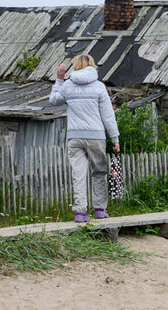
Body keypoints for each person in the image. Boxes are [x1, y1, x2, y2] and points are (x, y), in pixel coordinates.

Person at [50, 54, 120, 222]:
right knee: (99, 172)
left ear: (75, 66)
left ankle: (80, 213)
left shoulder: (67, 86)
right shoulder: (99, 87)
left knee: (79, 174)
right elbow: (108, 115)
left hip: (75, 137)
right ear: (92, 65)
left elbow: (53, 101)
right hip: (96, 136)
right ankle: (99, 209)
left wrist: (59, 80)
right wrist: (115, 138)